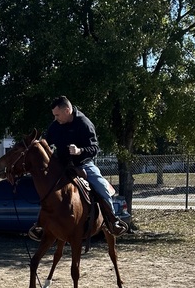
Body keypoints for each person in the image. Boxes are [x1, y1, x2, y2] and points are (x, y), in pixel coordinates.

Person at [31, 96, 127, 239]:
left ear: (67, 110)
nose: (56, 118)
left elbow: (94, 148)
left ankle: (113, 221)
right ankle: (40, 224)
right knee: (47, 189)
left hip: (83, 164)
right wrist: (37, 143)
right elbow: (47, 142)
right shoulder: (55, 125)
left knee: (101, 186)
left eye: (57, 115)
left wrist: (79, 151)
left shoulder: (84, 123)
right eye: (54, 115)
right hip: (62, 164)